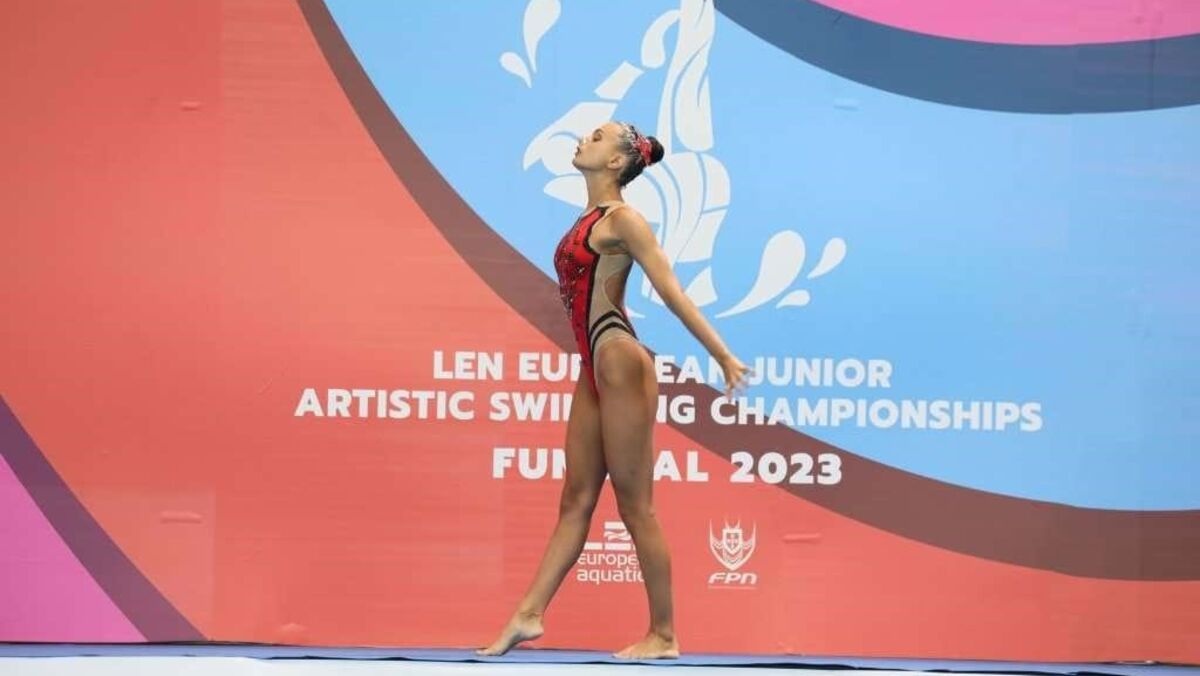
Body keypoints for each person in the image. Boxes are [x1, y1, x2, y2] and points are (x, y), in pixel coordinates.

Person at [477, 121, 751, 660]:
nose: (584, 139)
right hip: (594, 364)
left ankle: (664, 634)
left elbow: (671, 291)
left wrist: (722, 355)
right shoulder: (589, 218)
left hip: (619, 357)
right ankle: (528, 614)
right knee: (576, 498)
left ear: (616, 162)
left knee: (636, 507)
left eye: (598, 137)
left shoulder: (624, 219)